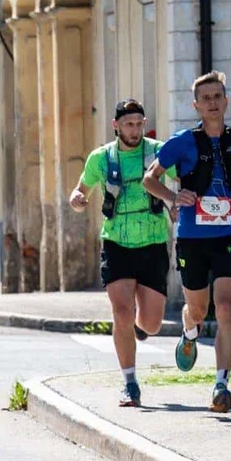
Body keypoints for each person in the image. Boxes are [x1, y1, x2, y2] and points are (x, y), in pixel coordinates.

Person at [143, 71, 231, 413]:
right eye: (206, 98)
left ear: (226, 101)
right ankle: (190, 331)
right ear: (196, 105)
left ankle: (221, 384)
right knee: (198, 311)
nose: (213, 103)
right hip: (192, 238)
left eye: (218, 96)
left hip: (230, 234)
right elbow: (149, 179)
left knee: (226, 307)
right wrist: (173, 198)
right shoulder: (181, 143)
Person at [69, 98, 177, 407]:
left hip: (153, 242)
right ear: (116, 126)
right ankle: (130, 383)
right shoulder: (101, 158)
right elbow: (81, 189)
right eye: (128, 124)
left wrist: (178, 203)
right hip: (116, 242)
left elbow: (184, 178)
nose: (134, 130)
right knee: (121, 312)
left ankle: (141, 328)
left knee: (152, 324)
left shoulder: (159, 152)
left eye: (139, 124)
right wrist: (77, 199)